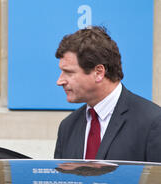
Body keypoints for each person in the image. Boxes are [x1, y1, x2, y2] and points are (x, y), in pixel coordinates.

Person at [54, 26, 161, 162]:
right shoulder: (67, 127)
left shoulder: (152, 122)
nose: (60, 81)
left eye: (68, 72)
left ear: (99, 72)